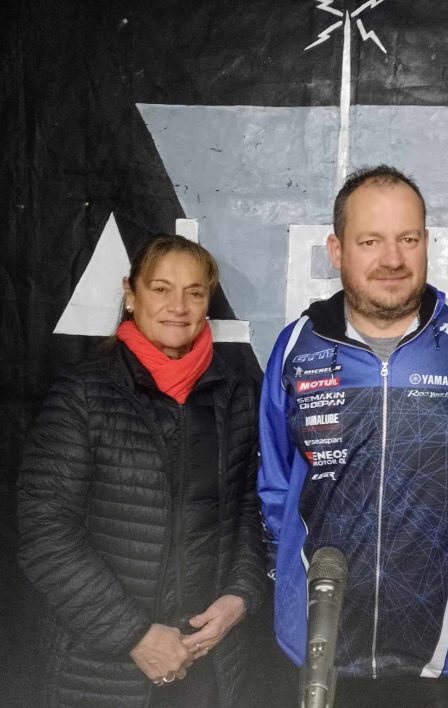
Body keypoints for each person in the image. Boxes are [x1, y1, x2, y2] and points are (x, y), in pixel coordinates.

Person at [258, 165, 448, 706]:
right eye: (370, 241)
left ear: (426, 243)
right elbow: (276, 485)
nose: (392, 259)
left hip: (445, 654)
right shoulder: (297, 346)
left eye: (408, 239)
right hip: (320, 646)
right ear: (336, 250)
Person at [17, 234, 265, 708]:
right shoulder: (82, 395)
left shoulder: (236, 396)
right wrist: (133, 635)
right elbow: (44, 532)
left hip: (207, 662)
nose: (179, 307)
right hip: (102, 667)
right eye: (161, 289)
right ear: (131, 295)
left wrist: (239, 596)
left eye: (194, 292)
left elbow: (249, 513)